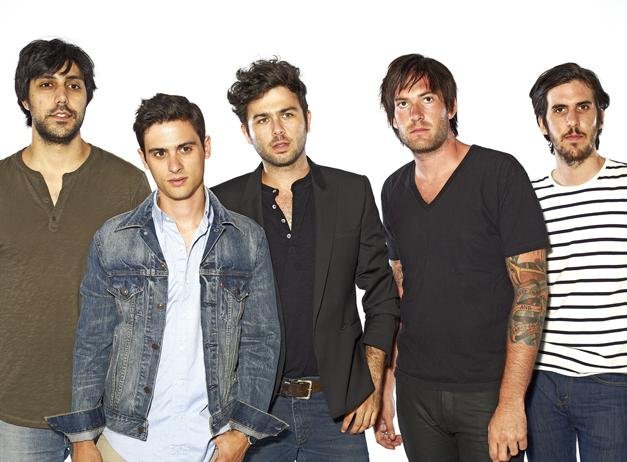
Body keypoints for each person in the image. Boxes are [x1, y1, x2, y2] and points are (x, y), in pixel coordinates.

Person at [45, 93, 286, 462]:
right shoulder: (113, 239)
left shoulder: (246, 238)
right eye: (159, 153)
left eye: (185, 148)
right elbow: (92, 342)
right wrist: (82, 439)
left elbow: (262, 341)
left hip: (213, 447)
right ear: (144, 158)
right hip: (125, 445)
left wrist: (242, 434)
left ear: (206, 147)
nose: (174, 165)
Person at [212, 59, 399, 461]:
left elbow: (382, 295)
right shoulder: (223, 203)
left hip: (338, 408)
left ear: (307, 118)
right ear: (245, 131)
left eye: (287, 114)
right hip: (253, 409)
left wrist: (372, 381)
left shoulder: (351, 192)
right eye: (262, 120)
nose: (277, 130)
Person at [375, 53, 549, 462]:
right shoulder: (393, 190)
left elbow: (531, 291)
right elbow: (401, 293)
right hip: (417, 391)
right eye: (403, 104)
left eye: (427, 99)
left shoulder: (499, 173)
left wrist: (512, 402)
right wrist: (387, 385)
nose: (416, 114)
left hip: (487, 391)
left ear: (450, 107)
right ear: (393, 119)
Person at [0, 38, 150, 461]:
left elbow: (149, 299)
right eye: (46, 85)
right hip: (18, 409)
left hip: (111, 410)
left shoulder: (127, 184)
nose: (62, 98)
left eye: (74, 85)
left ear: (87, 96)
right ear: (25, 98)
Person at [526, 63, 627, 461]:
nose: (573, 120)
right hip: (540, 383)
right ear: (542, 123)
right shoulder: (526, 199)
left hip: (613, 382)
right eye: (559, 109)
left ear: (600, 116)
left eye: (583, 107)